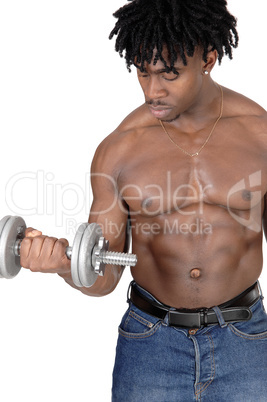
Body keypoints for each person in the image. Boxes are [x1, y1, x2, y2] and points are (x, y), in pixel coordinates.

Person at [20, 0, 267, 400]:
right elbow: (103, 276)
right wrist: (63, 265)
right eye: (142, 72)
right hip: (151, 344)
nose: (153, 91)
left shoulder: (260, 137)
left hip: (245, 339)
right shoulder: (119, 151)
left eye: (170, 74)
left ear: (208, 58)